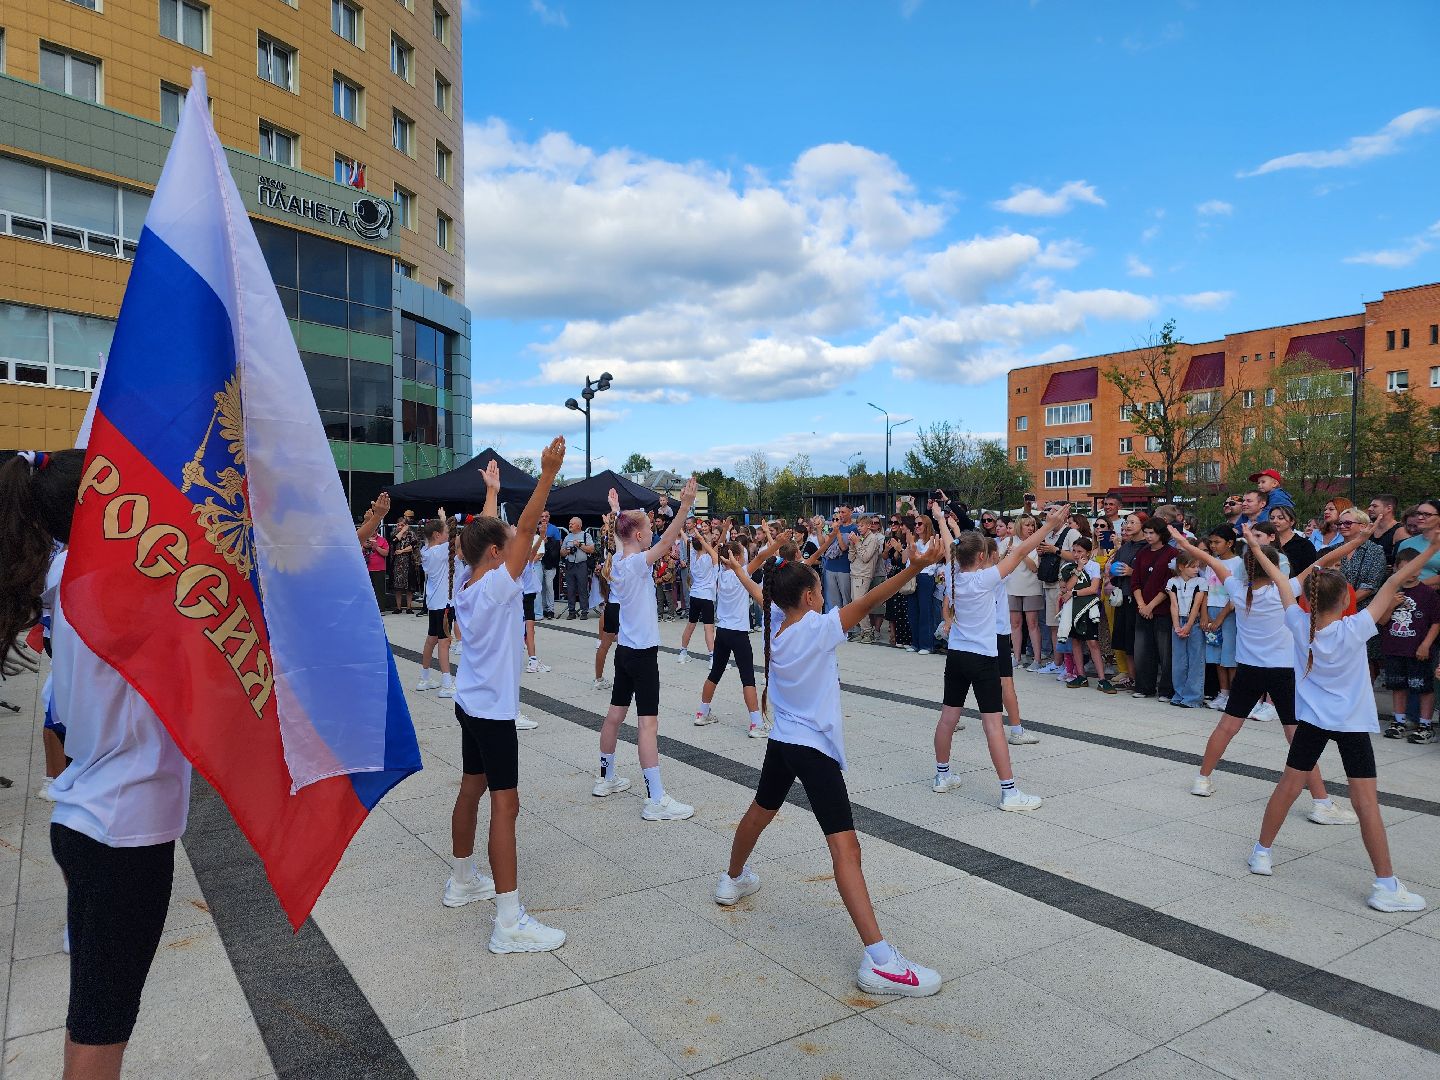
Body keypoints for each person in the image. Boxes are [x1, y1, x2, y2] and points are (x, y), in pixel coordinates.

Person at [2, 449, 191, 1079]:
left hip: (95, 817)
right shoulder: (120, 594)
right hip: (121, 832)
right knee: (101, 1027)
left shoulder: (74, 583)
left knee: (96, 1014)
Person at [713, 535, 947, 998]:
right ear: (809, 597)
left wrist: (773, 556)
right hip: (813, 750)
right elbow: (872, 598)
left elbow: (762, 590)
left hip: (783, 741)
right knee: (846, 848)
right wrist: (916, 566)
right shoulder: (816, 627)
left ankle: (732, 878)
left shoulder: (776, 624)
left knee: (760, 811)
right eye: (818, 589)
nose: (824, 596)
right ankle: (881, 960)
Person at [1243, 528, 1438, 912]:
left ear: (1309, 601)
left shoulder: (1299, 624)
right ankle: (1385, 885)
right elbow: (1396, 579)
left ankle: (1261, 852)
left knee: (1288, 786)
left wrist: (1253, 546)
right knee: (1366, 803)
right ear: (1347, 599)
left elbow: (1281, 579)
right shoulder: (1357, 627)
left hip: (1313, 722)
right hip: (1350, 725)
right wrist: (1433, 547)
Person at [447, 436, 569, 952]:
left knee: (471, 788)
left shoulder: (467, 579)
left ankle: (461, 880)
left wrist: (492, 491)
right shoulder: (498, 585)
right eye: (504, 546)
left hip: (468, 702)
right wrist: (545, 475)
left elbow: (487, 536)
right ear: (497, 554)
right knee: (505, 805)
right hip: (493, 712)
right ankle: (508, 921)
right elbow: (518, 532)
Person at [1171, 524, 1363, 825]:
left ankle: (1202, 779)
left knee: (1226, 727)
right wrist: (1361, 539)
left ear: (1247, 568)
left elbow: (1209, 560)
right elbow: (1324, 560)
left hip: (1249, 670)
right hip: (1283, 673)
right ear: (1275, 567)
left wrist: (1183, 541)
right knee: (1297, 738)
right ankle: (1321, 803)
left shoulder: (1237, 588)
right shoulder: (1285, 590)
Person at [931, 502, 1069, 809]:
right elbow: (1020, 553)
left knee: (947, 719)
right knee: (992, 724)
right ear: (981, 557)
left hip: (956, 656)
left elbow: (949, 547)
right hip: (982, 659)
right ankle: (1009, 793)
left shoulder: (953, 575)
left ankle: (942, 775)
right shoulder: (984, 579)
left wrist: (941, 518)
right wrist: (1049, 525)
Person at [594, 478, 699, 819]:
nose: (654, 532)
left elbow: (623, 535)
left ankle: (606, 778)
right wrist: (684, 506)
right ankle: (656, 799)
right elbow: (667, 540)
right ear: (638, 536)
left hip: (625, 651)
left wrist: (615, 511)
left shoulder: (620, 560)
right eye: (649, 529)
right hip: (641, 655)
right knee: (647, 725)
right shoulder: (638, 563)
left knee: (615, 715)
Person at [694, 526, 786, 736]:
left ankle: (702, 712)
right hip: (738, 633)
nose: (746, 557)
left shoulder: (719, 572)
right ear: (735, 557)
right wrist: (779, 543)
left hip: (723, 631)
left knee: (715, 673)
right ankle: (756, 724)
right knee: (748, 678)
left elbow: (714, 553)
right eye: (742, 555)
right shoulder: (742, 572)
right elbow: (762, 556)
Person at [1376, 546, 1440, 741]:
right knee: (1398, 686)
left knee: (1423, 687)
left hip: (1418, 650)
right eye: (1405, 569)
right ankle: (1399, 721)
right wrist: (1392, 604)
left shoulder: (1428, 594)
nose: (1410, 574)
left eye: (1414, 569)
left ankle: (1425, 725)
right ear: (1396, 569)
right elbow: (1382, 621)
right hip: (1395, 648)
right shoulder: (1390, 592)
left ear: (1420, 569)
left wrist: (1426, 645)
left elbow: (1437, 622)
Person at [1130, 520, 1176, 701]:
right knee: (1142, 650)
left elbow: (1169, 584)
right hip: (1142, 609)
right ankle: (1144, 686)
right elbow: (1135, 581)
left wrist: (1151, 606)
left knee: (1165, 652)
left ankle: (1166, 690)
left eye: (1152, 533)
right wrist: (1142, 605)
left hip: (1163, 610)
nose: (1148, 536)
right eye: (1146, 532)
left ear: (1161, 534)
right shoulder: (1142, 553)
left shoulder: (1172, 553)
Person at [1060, 536, 1112, 693]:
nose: (1076, 554)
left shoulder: (1094, 566)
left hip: (1089, 608)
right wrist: (1078, 570)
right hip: (1073, 609)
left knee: (1092, 642)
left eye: (1080, 551)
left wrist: (1073, 592)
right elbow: (1066, 587)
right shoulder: (1069, 567)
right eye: (1074, 551)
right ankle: (1081, 675)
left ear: (1088, 553)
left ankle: (1102, 679)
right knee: (1075, 641)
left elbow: (1093, 589)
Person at [1200, 525, 1241, 712]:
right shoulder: (1212, 563)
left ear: (1230, 543)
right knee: (1215, 655)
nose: (1213, 546)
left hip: (1229, 613)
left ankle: (1234, 694)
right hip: (1211, 609)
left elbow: (1235, 596)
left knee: (1229, 655)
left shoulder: (1238, 564)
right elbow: (1206, 590)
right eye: (1211, 542)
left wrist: (1221, 618)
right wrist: (1205, 614)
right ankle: (1223, 692)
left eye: (1217, 542)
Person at [1106, 511, 1146, 690]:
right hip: (1123, 596)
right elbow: (1116, 571)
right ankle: (1131, 676)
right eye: (1127, 522)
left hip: (1139, 599)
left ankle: (1142, 679)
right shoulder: (1125, 547)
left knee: (1137, 642)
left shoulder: (1147, 547)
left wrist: (1132, 572)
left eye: (1132, 522)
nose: (1128, 526)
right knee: (1125, 641)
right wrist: (1111, 572)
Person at [417, 519, 456, 697]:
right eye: (445, 532)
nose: (448, 535)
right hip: (444, 604)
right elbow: (460, 539)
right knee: (444, 642)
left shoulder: (426, 550)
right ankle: (447, 684)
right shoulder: (441, 551)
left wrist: (442, 520)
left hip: (434, 603)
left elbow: (437, 535)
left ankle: (424, 678)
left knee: (431, 639)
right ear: (437, 535)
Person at [1002, 515, 1044, 669]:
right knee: (1015, 623)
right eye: (1027, 525)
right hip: (1011, 587)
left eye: (1032, 525)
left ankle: (1037, 659)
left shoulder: (1037, 543)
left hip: (1032, 588)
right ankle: (1017, 657)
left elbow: (1034, 568)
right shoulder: (1008, 542)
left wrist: (1020, 553)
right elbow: (1000, 563)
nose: (1031, 528)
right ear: (1020, 526)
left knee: (1032, 623)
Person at [1167, 552, 1208, 708]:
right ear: (1181, 566)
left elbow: (1197, 605)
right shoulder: (1172, 582)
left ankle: (1193, 697)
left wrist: (1188, 626)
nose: (1196, 569)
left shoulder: (1201, 582)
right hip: (1178, 622)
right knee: (1178, 660)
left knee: (1196, 660)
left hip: (1194, 623)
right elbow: (1174, 605)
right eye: (1193, 566)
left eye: (1198, 566)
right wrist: (1177, 625)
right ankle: (1179, 694)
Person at [677, 523, 718, 664]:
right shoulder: (708, 558)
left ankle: (683, 652)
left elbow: (687, 541)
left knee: (690, 624)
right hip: (706, 597)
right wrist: (702, 539)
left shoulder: (692, 556)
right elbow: (713, 552)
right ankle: (712, 657)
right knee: (708, 628)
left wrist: (681, 530)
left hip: (694, 595)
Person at [907, 516, 940, 654]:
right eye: (915, 524)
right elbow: (908, 559)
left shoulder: (933, 540)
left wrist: (916, 553)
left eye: (920, 523)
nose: (917, 526)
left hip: (926, 576)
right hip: (912, 575)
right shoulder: (915, 541)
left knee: (925, 610)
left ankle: (926, 645)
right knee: (913, 610)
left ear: (926, 525)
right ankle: (915, 642)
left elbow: (927, 559)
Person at [592, 515, 618, 691]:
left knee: (604, 644)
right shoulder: (622, 559)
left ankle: (598, 678)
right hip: (623, 607)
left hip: (612, 604)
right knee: (624, 646)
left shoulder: (607, 562)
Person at [850, 515, 884, 643]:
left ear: (869, 526)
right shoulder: (861, 538)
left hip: (863, 575)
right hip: (855, 573)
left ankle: (868, 632)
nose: (859, 528)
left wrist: (857, 542)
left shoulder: (873, 539)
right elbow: (851, 558)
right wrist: (853, 544)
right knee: (855, 605)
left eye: (862, 525)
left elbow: (866, 557)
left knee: (860, 605)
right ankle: (864, 631)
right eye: (858, 526)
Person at [520, 533, 549, 674]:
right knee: (529, 629)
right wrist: (541, 536)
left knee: (523, 629)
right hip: (526, 596)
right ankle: (533, 661)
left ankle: (531, 659)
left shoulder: (511, 562)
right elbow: (534, 550)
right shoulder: (525, 561)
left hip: (519, 596)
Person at [1394, 499, 1440, 586]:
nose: (1420, 517)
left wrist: (1418, 586)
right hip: (1405, 595)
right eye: (1418, 513)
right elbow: (1397, 571)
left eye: (1426, 514)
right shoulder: (1405, 544)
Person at [1268, 506, 1316, 577]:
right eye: (1272, 518)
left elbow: (1309, 572)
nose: (1275, 521)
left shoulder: (1304, 545)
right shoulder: (1266, 541)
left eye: (1280, 518)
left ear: (1292, 521)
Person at [560, 517, 594, 619]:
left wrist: (579, 545)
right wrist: (567, 551)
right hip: (570, 565)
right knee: (570, 589)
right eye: (569, 523)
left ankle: (584, 612)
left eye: (572, 524)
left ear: (579, 525)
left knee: (582, 588)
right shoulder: (567, 537)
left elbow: (591, 549)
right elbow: (561, 552)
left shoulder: (585, 535)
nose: (570, 525)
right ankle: (571, 612)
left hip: (581, 565)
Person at [391, 517, 418, 615]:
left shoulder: (411, 535)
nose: (399, 526)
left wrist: (402, 551)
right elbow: (394, 541)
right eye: (398, 525)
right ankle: (398, 607)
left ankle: (409, 607)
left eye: (402, 525)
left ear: (407, 525)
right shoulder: (395, 534)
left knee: (409, 587)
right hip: (397, 563)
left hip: (409, 562)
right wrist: (401, 532)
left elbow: (414, 546)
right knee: (397, 587)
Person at [540, 511, 563, 618]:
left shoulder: (554, 529)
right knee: (541, 586)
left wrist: (547, 542)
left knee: (549, 585)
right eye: (542, 516)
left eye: (546, 516)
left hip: (550, 562)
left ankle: (550, 609)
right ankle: (543, 608)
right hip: (538, 561)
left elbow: (558, 545)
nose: (544, 518)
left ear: (549, 517)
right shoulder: (535, 528)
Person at [363, 524, 390, 610]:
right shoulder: (363, 539)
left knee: (379, 590)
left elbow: (386, 553)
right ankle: (367, 608)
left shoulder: (382, 540)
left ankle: (380, 608)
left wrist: (376, 547)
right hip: (366, 568)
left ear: (377, 530)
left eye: (374, 530)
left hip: (379, 568)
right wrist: (364, 547)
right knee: (367, 590)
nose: (373, 532)